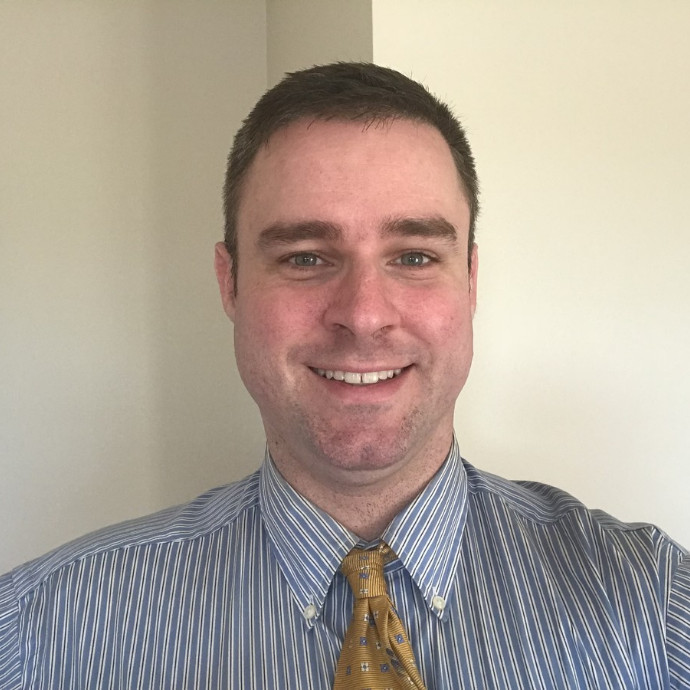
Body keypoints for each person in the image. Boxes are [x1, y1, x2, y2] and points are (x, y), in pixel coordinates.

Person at [0, 62, 688, 689]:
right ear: (229, 283)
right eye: (305, 257)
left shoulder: (656, 607)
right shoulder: (38, 634)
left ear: (471, 282)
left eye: (414, 256)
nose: (363, 316)